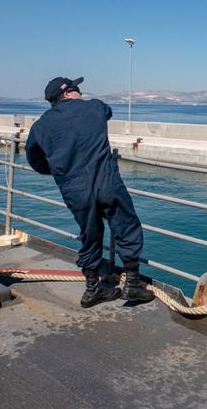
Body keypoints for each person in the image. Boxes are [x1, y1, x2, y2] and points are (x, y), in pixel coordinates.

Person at [25, 76, 155, 308]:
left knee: (90, 233)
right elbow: (108, 110)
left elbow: (35, 161)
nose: (80, 93)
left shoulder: (40, 126)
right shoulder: (94, 108)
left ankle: (92, 289)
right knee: (126, 225)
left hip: (74, 188)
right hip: (107, 181)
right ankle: (132, 283)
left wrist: (60, 171)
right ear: (66, 94)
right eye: (76, 89)